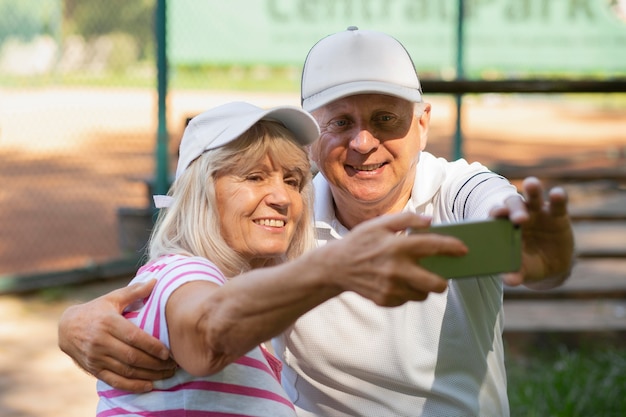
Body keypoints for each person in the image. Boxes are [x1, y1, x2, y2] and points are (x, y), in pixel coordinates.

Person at [59, 28, 574, 417]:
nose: (363, 142)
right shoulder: (285, 220)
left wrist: (540, 254)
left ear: (422, 124)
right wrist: (73, 325)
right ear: (313, 141)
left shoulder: (456, 193)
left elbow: (517, 244)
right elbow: (196, 306)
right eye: (341, 123)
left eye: (386, 119)